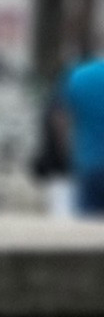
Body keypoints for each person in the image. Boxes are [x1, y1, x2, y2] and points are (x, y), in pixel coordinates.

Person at [57, 41, 104, 219]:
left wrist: (66, 154)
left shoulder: (78, 76)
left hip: (89, 164)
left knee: (88, 226)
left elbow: (59, 119)